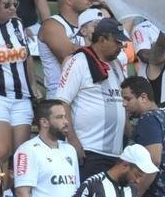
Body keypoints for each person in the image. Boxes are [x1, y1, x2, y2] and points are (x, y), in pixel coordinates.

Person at [54, 16, 129, 178]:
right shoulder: (78, 61)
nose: (121, 47)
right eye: (117, 42)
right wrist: (73, 140)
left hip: (115, 151)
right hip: (89, 149)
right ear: (102, 40)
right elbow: (62, 101)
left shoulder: (116, 64)